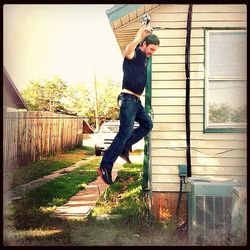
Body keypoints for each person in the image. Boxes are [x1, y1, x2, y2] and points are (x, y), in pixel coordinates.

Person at [97, 24, 160, 185]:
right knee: (124, 133)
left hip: (136, 101)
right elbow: (127, 50)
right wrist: (140, 35)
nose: (152, 53)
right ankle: (105, 165)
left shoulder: (145, 58)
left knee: (147, 124)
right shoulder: (134, 54)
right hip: (127, 99)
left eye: (154, 51)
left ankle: (125, 148)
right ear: (143, 45)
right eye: (151, 49)